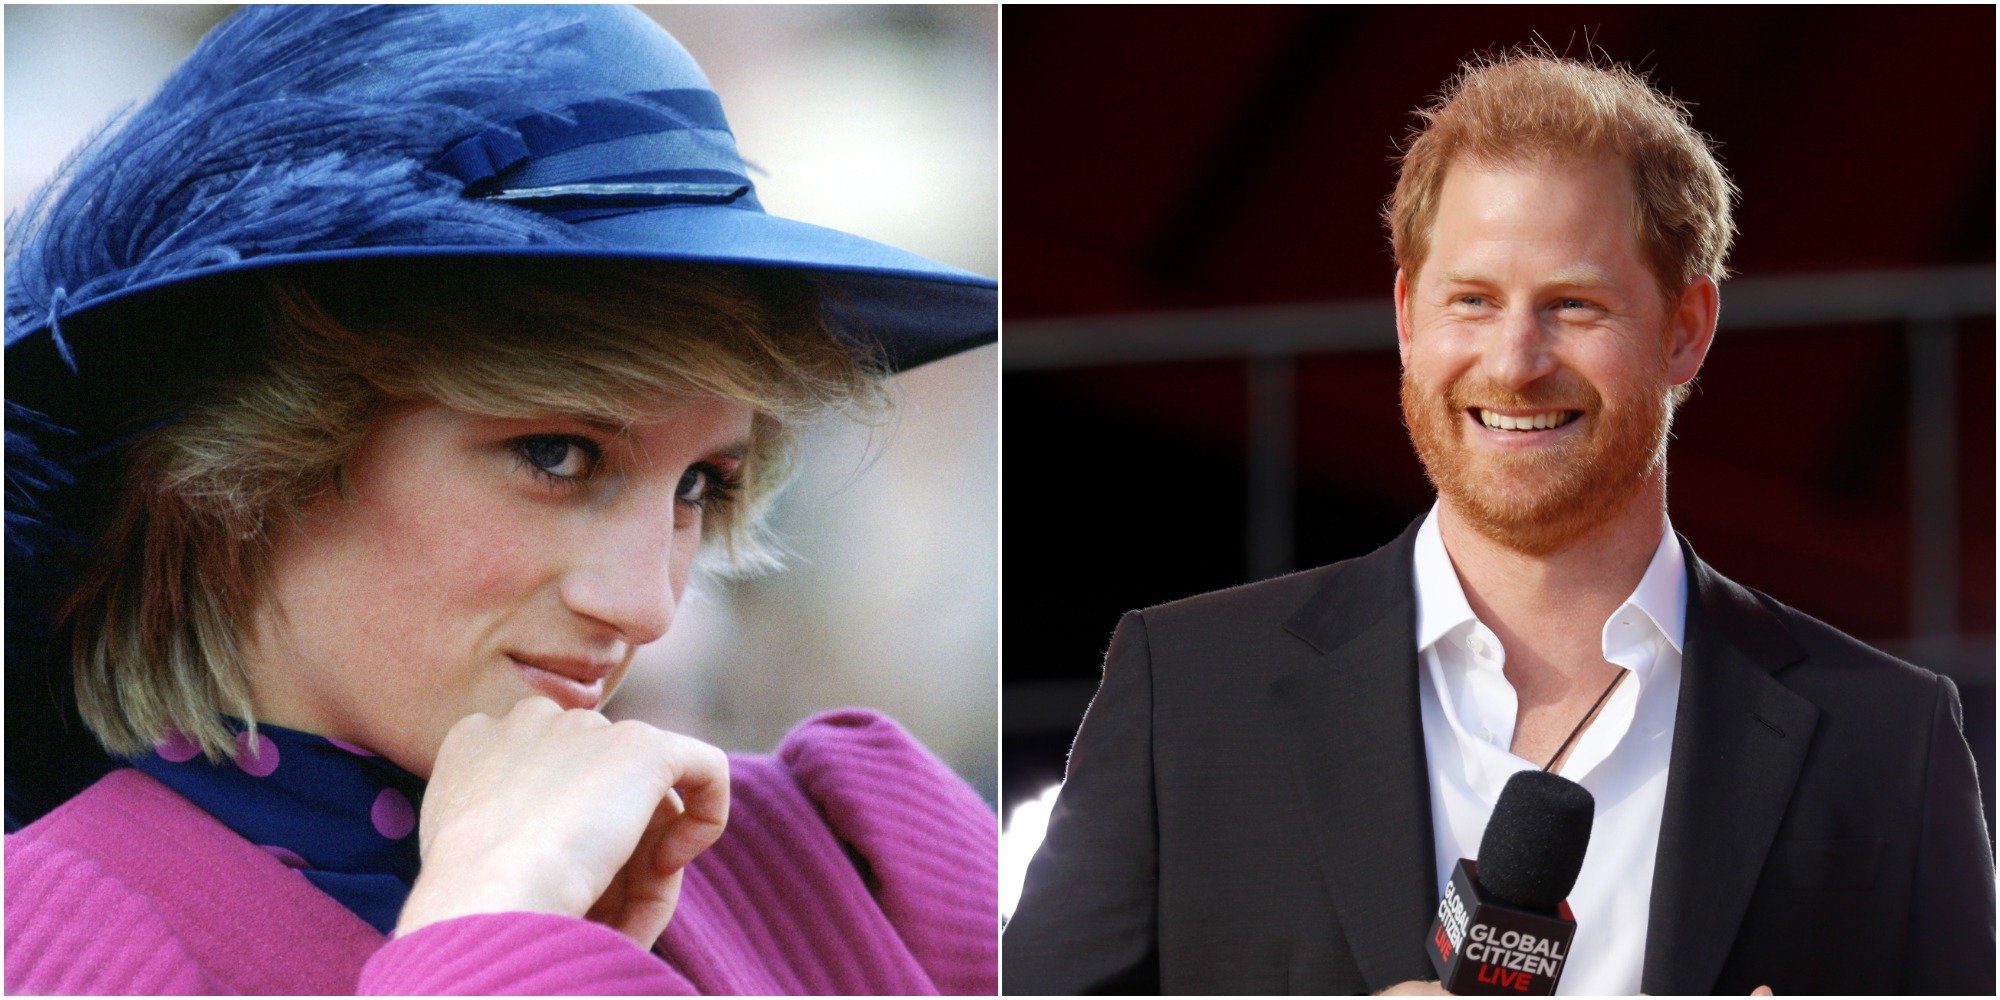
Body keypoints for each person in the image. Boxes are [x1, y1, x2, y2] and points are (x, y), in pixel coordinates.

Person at [4, 6, 995, 995]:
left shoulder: (862, 860)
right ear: (244, 459)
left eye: (700, 484)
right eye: (558, 454)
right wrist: (494, 936)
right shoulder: (55, 945)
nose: (649, 606)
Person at [1003, 51, 1994, 996]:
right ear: (1405, 314)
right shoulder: (1182, 689)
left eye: (1572, 305)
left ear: (1685, 329)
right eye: (1470, 301)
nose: (1514, 360)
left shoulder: (1887, 735)